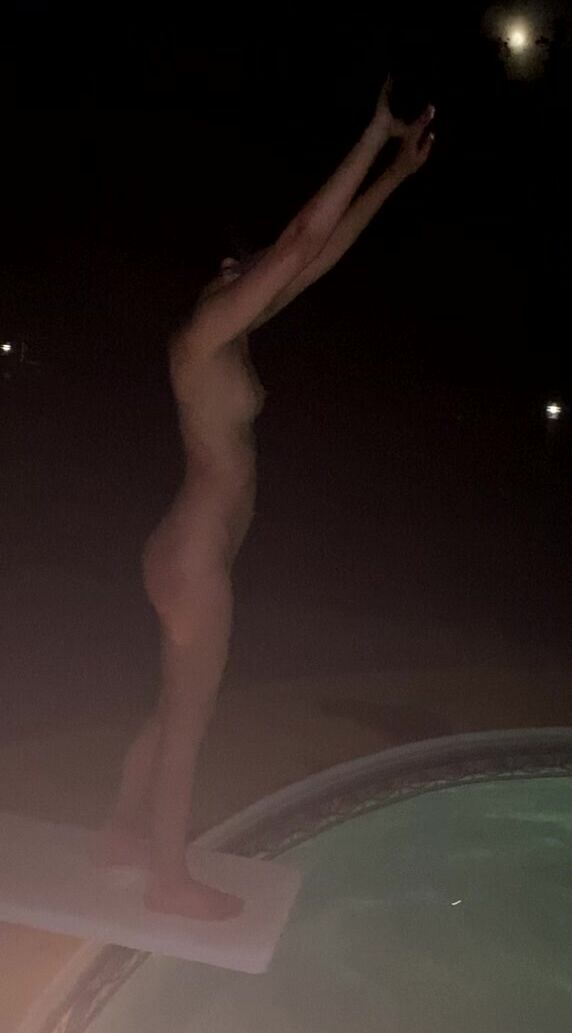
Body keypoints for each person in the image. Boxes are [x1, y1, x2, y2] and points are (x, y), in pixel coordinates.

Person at [97, 78, 435, 920]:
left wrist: (396, 177)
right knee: (190, 719)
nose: (246, 272)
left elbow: (316, 255)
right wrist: (373, 135)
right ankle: (167, 877)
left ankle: (122, 833)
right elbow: (298, 241)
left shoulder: (230, 336)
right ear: (214, 279)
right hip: (194, 558)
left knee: (173, 702)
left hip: (192, 548)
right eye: (235, 267)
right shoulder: (199, 338)